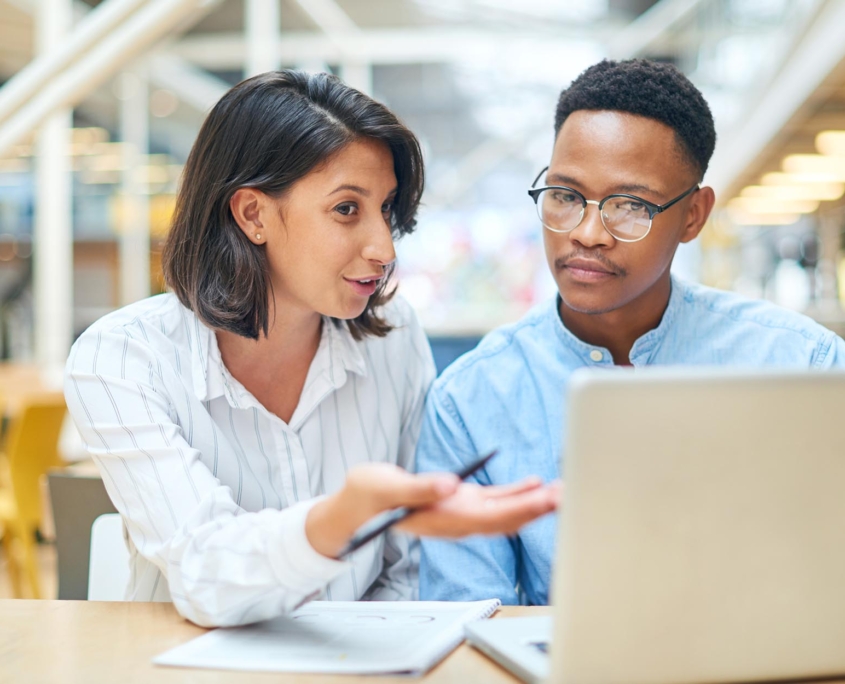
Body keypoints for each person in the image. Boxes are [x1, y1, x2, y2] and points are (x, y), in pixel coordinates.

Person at [64, 70, 558, 627]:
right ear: (253, 214)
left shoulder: (392, 336)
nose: (384, 247)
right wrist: (344, 516)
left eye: (387, 209)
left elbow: (408, 569)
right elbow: (204, 572)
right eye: (347, 209)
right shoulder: (122, 360)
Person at [416, 58, 845, 605]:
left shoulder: (805, 368)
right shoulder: (471, 400)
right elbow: (468, 620)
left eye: (631, 206)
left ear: (693, 215)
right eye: (566, 196)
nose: (588, 234)